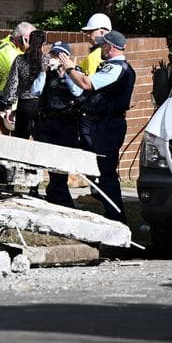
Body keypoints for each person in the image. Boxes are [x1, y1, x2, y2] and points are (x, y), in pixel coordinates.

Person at [57, 29, 134, 224]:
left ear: (110, 47)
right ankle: (113, 214)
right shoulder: (112, 66)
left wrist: (69, 69)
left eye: (102, 45)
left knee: (107, 173)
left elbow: (86, 84)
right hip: (103, 123)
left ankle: (116, 217)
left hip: (109, 125)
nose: (99, 48)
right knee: (101, 170)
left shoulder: (117, 68)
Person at [33, 41, 85, 208]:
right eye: (54, 54)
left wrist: (67, 73)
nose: (56, 58)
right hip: (48, 122)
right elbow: (36, 90)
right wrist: (42, 71)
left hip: (67, 122)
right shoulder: (47, 73)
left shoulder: (76, 73)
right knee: (49, 158)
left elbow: (78, 91)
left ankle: (59, 193)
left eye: (60, 55)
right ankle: (56, 192)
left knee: (63, 160)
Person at [0, 29, 48, 140]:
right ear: (44, 43)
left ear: (29, 42)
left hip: (24, 104)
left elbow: (13, 83)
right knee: (42, 140)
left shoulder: (20, 60)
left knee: (21, 140)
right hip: (41, 105)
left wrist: (9, 106)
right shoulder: (46, 60)